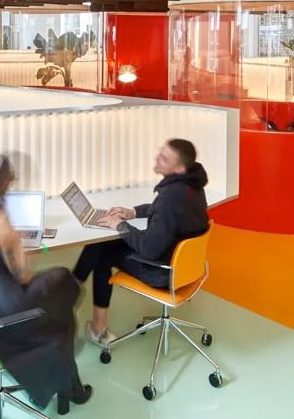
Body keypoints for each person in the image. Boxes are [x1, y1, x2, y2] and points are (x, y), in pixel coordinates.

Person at [0, 158, 91, 415]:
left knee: (60, 302)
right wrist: (18, 249)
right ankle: (71, 390)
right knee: (63, 300)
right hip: (6, 321)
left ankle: (71, 388)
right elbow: (22, 276)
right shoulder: (4, 223)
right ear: (7, 182)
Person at [73, 139, 209, 346]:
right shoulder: (191, 185)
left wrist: (120, 226)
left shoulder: (171, 197)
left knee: (102, 253)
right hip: (184, 265)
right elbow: (161, 210)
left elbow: (148, 248)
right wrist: (132, 212)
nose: (157, 159)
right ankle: (72, 292)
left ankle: (92, 322)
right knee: (102, 245)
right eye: (159, 153)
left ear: (180, 168)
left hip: (163, 271)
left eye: (164, 158)